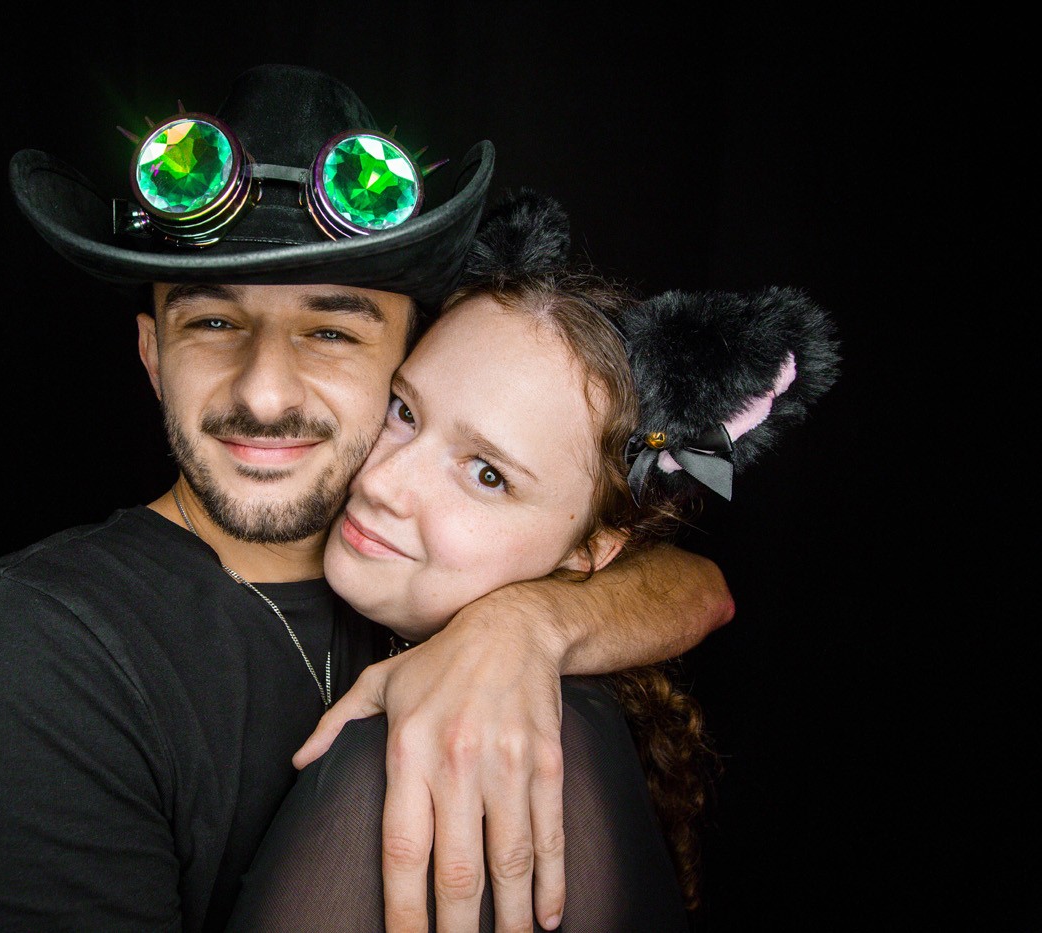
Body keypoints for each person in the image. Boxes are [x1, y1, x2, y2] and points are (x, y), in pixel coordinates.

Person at [0, 66, 732, 933]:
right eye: (214, 322)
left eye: (330, 330)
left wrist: (531, 628)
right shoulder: (17, 658)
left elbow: (691, 580)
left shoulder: (449, 576)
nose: (265, 394)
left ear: (408, 355)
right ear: (154, 355)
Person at [228, 192, 839, 931]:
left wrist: (529, 624)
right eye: (405, 412)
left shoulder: (422, 769)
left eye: (488, 474)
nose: (381, 481)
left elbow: (708, 589)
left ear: (590, 551)